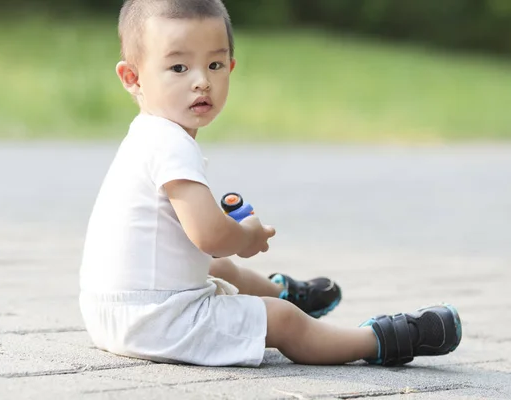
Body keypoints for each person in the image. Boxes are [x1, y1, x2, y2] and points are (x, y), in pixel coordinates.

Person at [79, 0, 462, 367]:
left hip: (111, 312)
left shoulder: (148, 133)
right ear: (133, 78)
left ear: (230, 66)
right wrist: (246, 235)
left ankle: (282, 292)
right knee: (281, 321)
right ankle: (380, 339)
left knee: (221, 270)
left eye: (214, 64)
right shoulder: (171, 145)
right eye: (179, 68)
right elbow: (209, 235)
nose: (202, 82)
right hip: (155, 322)